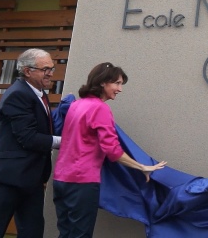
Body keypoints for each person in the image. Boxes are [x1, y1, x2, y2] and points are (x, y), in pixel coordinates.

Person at [52, 62, 166, 238]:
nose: (120, 89)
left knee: (65, 233)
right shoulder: (100, 108)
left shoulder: (76, 105)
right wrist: (141, 167)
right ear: (103, 82)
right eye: (117, 83)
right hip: (82, 182)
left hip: (60, 179)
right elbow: (112, 150)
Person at [0, 48, 61, 238]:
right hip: (9, 178)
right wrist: (66, 142)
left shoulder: (39, 93)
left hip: (31, 178)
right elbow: (28, 137)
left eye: (52, 68)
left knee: (32, 231)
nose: (50, 73)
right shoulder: (18, 94)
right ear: (27, 71)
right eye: (45, 69)